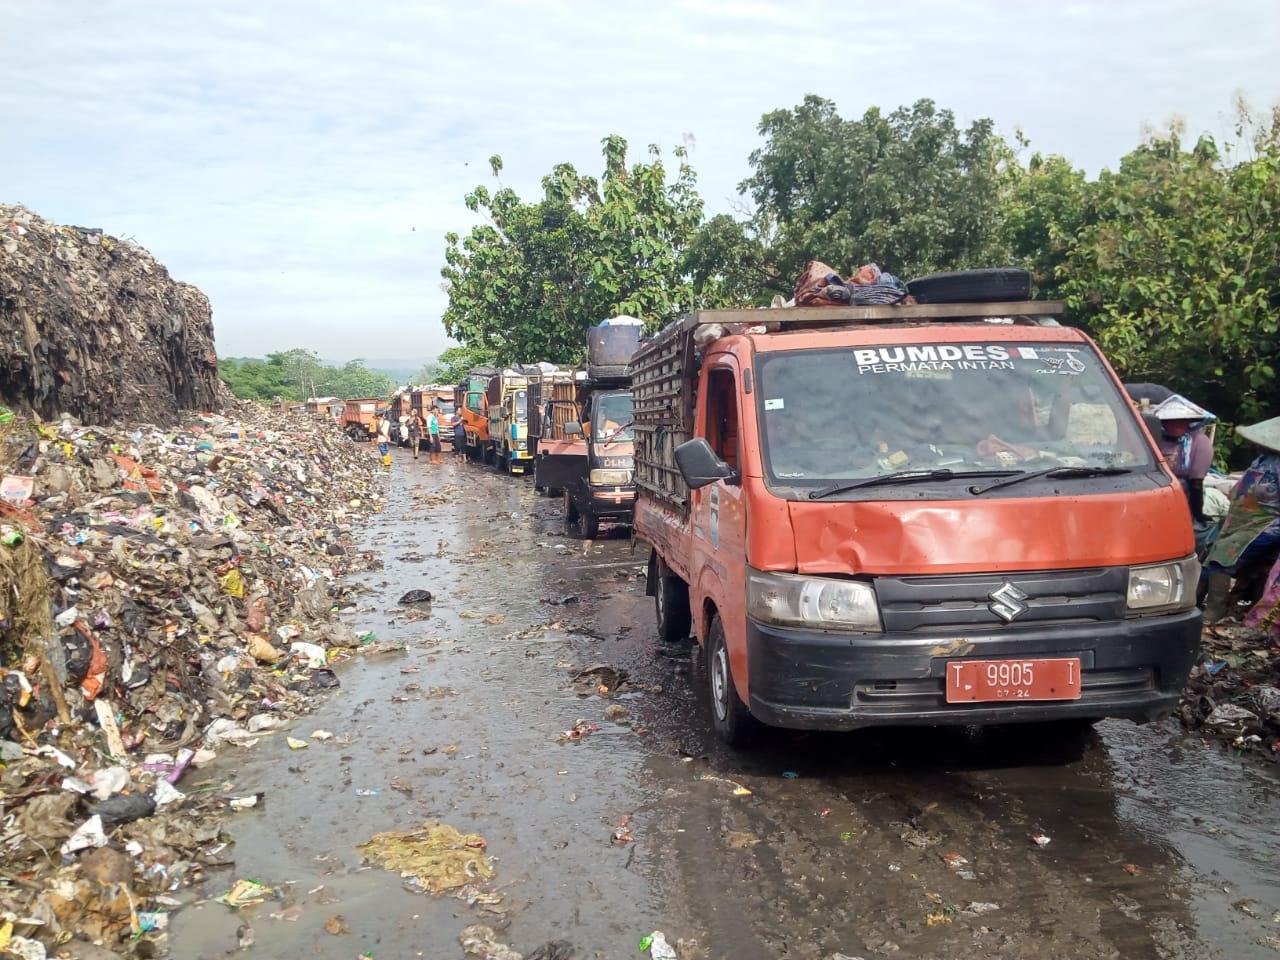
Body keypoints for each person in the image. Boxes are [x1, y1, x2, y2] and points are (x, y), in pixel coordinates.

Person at [1202, 415, 1280, 623]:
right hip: (1240, 522)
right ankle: (1196, 604)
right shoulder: (1261, 460)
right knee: (1209, 557)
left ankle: (1214, 611)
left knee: (1222, 560)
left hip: (1266, 525)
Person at [1151, 395, 1214, 522]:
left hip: (1185, 493)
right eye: (1171, 421)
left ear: (1188, 421)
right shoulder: (1155, 439)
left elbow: (1196, 483)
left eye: (1180, 420)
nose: (1176, 425)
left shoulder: (1199, 442)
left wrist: (1197, 513)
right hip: (1156, 491)